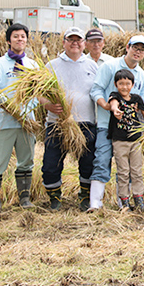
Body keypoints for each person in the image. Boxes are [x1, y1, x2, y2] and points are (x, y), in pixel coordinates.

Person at [39, 27, 98, 211]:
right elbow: (39, 93)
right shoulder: (52, 65)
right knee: (51, 163)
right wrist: (48, 105)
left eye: (78, 40)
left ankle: (85, 197)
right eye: (70, 39)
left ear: (84, 44)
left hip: (86, 123)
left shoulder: (92, 66)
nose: (75, 43)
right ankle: (55, 198)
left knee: (88, 163)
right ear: (63, 43)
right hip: (57, 123)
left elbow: (98, 92)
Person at [0, 23, 39, 213]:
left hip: (27, 122)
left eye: (23, 36)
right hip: (4, 121)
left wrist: (27, 109)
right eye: (16, 36)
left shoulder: (32, 65)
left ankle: (24, 199)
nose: (20, 39)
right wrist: (9, 106)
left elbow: (39, 93)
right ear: (8, 40)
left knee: (26, 161)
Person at [90, 35, 144, 207]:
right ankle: (95, 203)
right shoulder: (110, 66)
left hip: (129, 131)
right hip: (106, 125)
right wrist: (107, 107)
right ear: (127, 47)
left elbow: (143, 104)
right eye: (135, 48)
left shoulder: (143, 77)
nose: (137, 52)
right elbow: (96, 90)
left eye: (142, 50)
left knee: (129, 167)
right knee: (102, 160)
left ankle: (123, 201)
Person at [98, 69, 144, 211]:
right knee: (123, 171)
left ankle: (139, 200)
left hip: (135, 141)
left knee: (136, 171)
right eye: (121, 83)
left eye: (128, 84)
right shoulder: (115, 96)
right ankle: (124, 202)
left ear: (133, 84)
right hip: (120, 141)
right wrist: (115, 110)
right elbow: (114, 103)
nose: (124, 87)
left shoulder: (137, 99)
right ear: (116, 84)